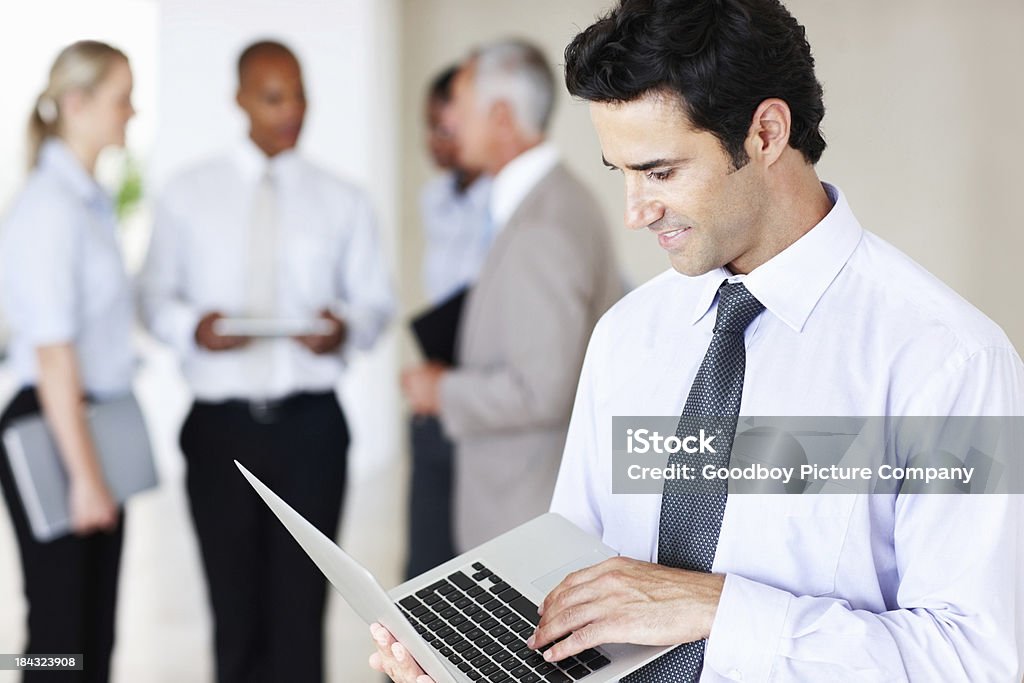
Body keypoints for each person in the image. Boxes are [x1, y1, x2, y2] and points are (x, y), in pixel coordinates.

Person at [372, 1, 1024, 681]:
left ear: (766, 133)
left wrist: (718, 608)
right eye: (618, 173)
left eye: (659, 172)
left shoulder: (948, 361)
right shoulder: (628, 334)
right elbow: (572, 583)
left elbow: (971, 659)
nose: (634, 213)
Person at [139, 40, 394, 683]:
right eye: (274, 96)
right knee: (233, 612)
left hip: (311, 430)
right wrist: (191, 329)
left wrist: (342, 331)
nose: (292, 110)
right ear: (240, 99)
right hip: (219, 430)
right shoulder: (186, 194)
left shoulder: (344, 200)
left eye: (300, 94)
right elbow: (152, 297)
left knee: (300, 614)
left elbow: (375, 305)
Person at [401, 39, 623, 555]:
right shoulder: (550, 199)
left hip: (523, 512)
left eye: (456, 103)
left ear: (500, 116)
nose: (447, 121)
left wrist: (442, 392)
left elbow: (541, 391)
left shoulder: (542, 224)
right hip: (520, 503)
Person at [0, 40, 136, 683]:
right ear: (76, 104)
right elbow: (53, 354)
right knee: (57, 632)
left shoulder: (87, 200)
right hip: (56, 427)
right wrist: (83, 476)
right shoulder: (49, 208)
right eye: (120, 99)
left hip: (88, 423)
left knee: (93, 630)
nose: (131, 113)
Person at [406, 65, 492, 579]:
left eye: (448, 128)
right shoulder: (435, 200)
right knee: (424, 563)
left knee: (479, 561)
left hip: (491, 395)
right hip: (442, 389)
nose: (438, 143)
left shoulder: (513, 204)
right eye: (431, 128)